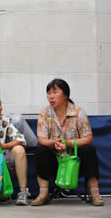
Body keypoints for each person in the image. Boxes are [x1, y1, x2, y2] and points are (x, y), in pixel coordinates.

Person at [31, 78, 104, 206]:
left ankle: (95, 194)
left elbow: (88, 138)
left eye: (55, 92)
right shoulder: (44, 113)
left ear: (65, 95)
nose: (51, 97)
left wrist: (69, 143)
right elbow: (42, 139)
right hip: (55, 162)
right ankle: (43, 194)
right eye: (48, 93)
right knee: (41, 149)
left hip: (75, 162)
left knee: (89, 149)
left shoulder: (78, 112)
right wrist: (54, 143)